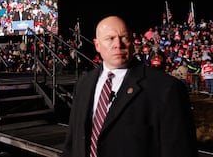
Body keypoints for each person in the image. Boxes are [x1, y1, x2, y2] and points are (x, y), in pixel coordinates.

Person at [62, 16, 198, 157]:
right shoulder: (84, 84)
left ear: (132, 41)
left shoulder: (165, 88)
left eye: (124, 37)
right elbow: (72, 144)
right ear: (97, 45)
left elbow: (180, 150)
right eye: (110, 38)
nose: (118, 44)